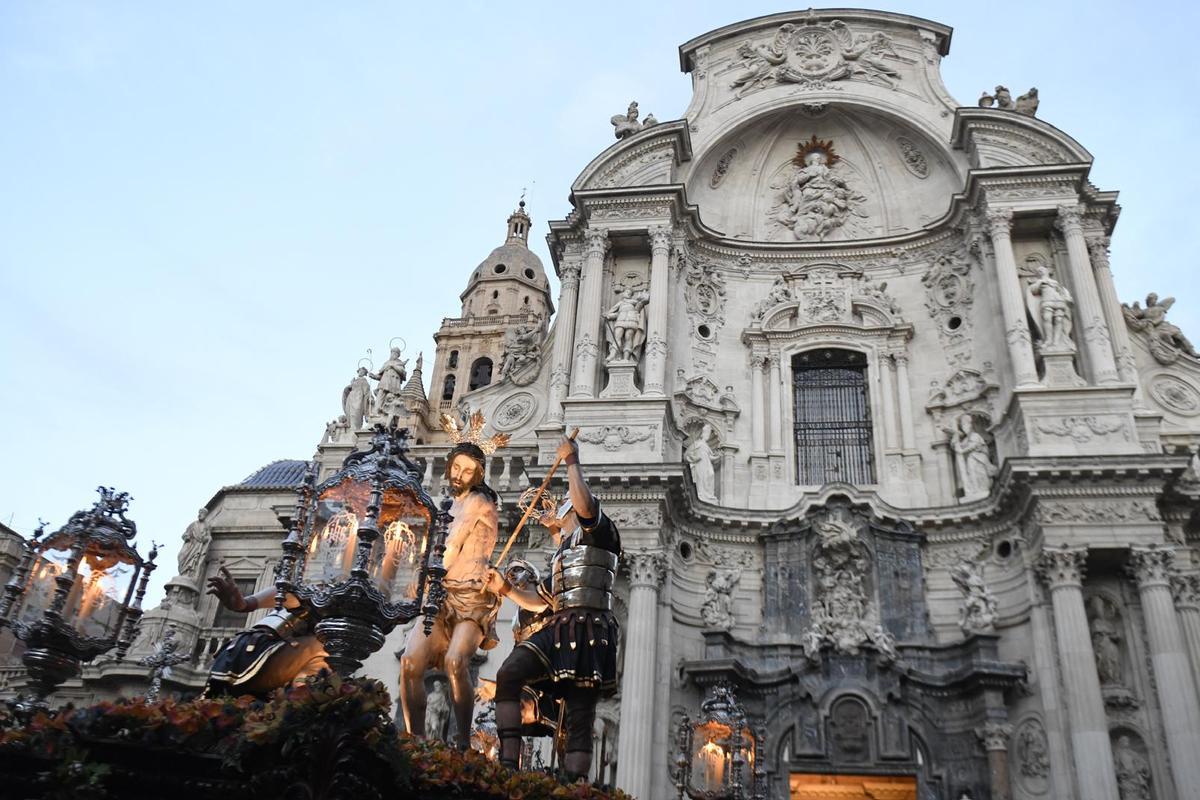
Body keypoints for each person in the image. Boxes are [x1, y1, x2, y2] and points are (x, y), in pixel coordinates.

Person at [486, 435, 622, 781]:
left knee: (580, 713)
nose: (558, 515)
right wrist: (505, 589)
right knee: (509, 673)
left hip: (589, 629)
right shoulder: (564, 554)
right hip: (560, 626)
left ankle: (575, 783)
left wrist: (571, 461)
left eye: (563, 510)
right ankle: (508, 762)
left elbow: (586, 507)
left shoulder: (600, 532)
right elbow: (540, 598)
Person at [399, 440, 501, 750]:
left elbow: (451, 546)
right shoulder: (448, 505)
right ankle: (415, 741)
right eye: (456, 467)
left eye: (468, 471)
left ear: (478, 475)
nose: (459, 474)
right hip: (441, 595)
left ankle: (462, 743)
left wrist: (425, 580)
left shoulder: (478, 502)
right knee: (409, 663)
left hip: (472, 595)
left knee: (456, 662)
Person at [204, 566, 329, 695]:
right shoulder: (312, 598)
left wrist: (244, 604)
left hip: (237, 655)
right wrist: (244, 603)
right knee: (323, 652)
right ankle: (301, 697)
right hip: (258, 650)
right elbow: (286, 593)